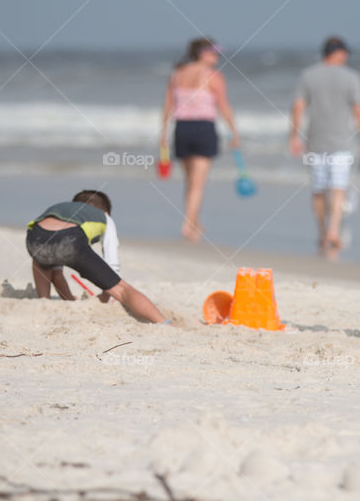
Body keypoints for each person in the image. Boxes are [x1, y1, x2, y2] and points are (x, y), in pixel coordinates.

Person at [26, 190, 167, 323]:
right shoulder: (104, 217)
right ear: (105, 211)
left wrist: (69, 299)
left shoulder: (62, 209)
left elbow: (56, 273)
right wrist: (105, 298)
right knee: (123, 289)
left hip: (34, 238)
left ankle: (43, 302)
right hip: (70, 240)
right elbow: (112, 265)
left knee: (42, 262)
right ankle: (163, 323)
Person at [289, 36, 360, 258]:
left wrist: (293, 136)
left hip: (315, 141)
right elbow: (359, 112)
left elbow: (297, 107)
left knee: (318, 190)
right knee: (338, 188)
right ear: (339, 53)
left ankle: (323, 232)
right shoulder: (352, 77)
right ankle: (334, 231)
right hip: (343, 142)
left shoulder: (308, 75)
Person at [161, 38, 240, 242]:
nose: (217, 56)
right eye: (213, 52)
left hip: (182, 129)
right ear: (201, 53)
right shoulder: (214, 76)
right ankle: (188, 224)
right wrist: (234, 132)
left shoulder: (177, 74)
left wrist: (163, 136)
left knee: (190, 181)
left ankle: (194, 222)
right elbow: (224, 107)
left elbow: (167, 108)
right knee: (198, 183)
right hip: (204, 128)